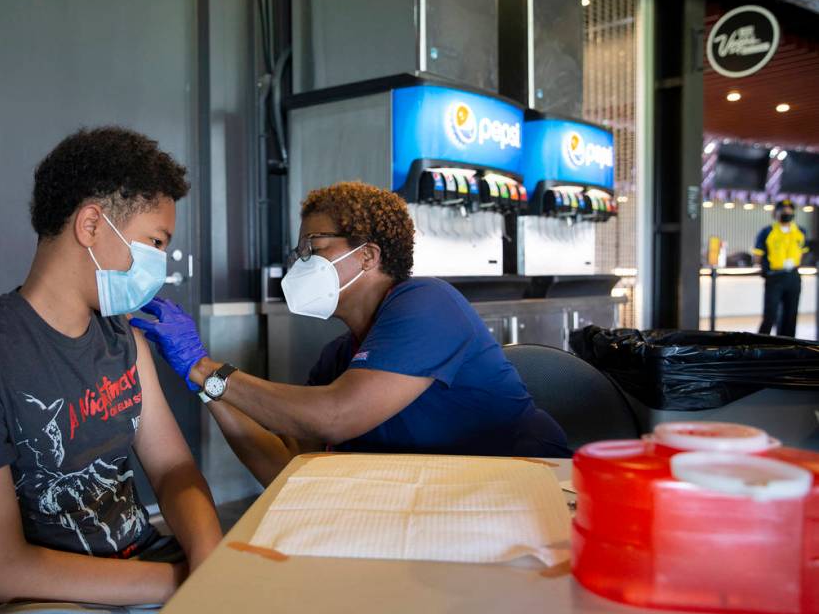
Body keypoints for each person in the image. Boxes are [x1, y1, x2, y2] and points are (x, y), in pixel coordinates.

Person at [0, 127, 222, 614]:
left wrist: (211, 558)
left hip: (144, 567)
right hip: (38, 603)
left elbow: (173, 468)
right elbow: (2, 568)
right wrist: (178, 580)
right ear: (90, 224)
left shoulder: (123, 339)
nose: (161, 265)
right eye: (155, 242)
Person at [132, 181, 570, 487]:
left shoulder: (428, 303)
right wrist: (204, 384)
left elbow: (337, 416)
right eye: (299, 251)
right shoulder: (339, 358)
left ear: (368, 256)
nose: (300, 262)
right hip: (441, 500)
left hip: (525, 485)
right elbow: (285, 468)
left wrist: (208, 367)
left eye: (314, 248)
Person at [753, 199, 809, 337]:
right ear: (776, 213)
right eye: (783, 211)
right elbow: (757, 256)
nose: (787, 213)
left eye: (790, 211)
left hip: (793, 277)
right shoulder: (767, 231)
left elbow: (803, 253)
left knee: (791, 315)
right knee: (770, 315)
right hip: (774, 277)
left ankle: (788, 345)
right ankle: (760, 344)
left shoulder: (800, 231)